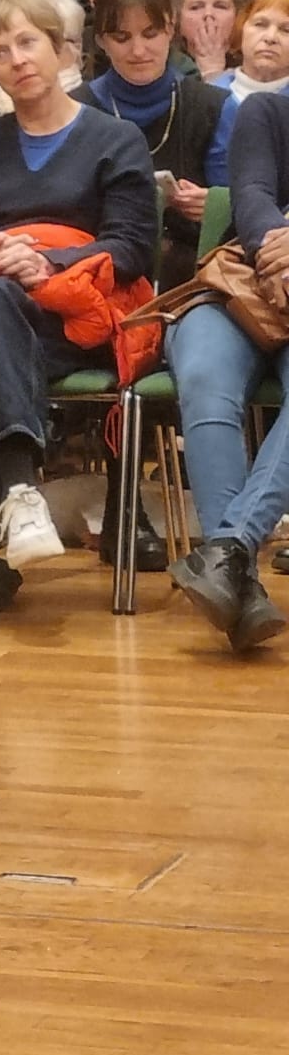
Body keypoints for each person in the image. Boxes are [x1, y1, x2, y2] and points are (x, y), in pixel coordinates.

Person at [0, 0, 157, 632]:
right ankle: (20, 492)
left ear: (60, 49)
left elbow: (132, 246)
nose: (18, 60)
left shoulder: (117, 139)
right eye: (0, 53)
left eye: (28, 43)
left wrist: (47, 261)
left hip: (71, 319)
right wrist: (0, 259)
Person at [163, 90, 289, 649]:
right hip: (242, 288)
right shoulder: (269, 111)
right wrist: (277, 248)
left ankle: (230, 550)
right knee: (203, 377)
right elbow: (252, 195)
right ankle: (240, 579)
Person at [81, 0, 232, 288]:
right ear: (101, 40)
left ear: (171, 26)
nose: (138, 50)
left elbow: (252, 206)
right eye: (121, 37)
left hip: (195, 283)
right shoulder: (76, 109)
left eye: (151, 33)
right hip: (98, 278)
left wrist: (217, 205)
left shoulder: (216, 107)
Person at [209, 0, 289, 106]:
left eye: (286, 30)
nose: (270, 37)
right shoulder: (205, 98)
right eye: (260, 24)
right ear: (241, 29)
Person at [176, 0, 244, 80]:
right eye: (196, 7)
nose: (208, 14)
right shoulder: (167, 66)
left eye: (220, 6)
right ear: (178, 19)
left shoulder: (251, 67)